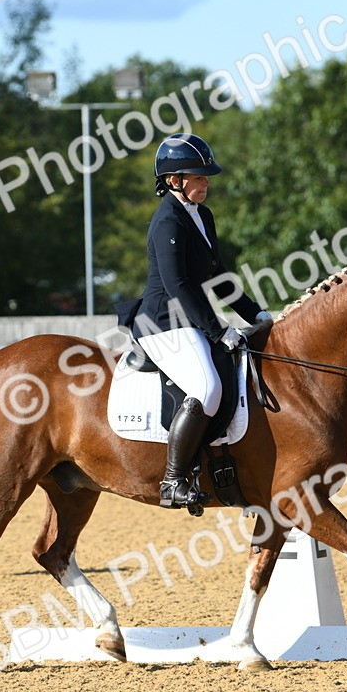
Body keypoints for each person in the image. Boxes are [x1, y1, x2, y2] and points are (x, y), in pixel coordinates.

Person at [128, 133, 272, 510]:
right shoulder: (168, 222)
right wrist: (218, 329)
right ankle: (172, 481)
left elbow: (216, 275)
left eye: (206, 177)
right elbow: (178, 285)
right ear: (173, 179)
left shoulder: (202, 215)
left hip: (189, 319)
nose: (206, 182)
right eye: (198, 176)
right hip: (162, 322)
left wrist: (253, 312)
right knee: (207, 388)